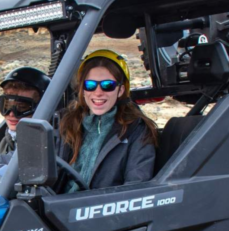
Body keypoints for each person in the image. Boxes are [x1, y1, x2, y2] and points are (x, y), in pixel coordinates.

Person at [57, 50, 157, 193]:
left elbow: (136, 187)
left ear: (120, 90)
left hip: (102, 210)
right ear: (82, 89)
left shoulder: (136, 130)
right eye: (90, 85)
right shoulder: (65, 122)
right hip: (57, 207)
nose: (98, 92)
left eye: (107, 85)